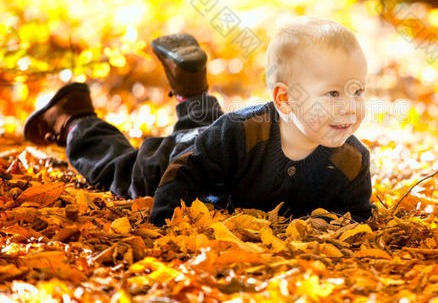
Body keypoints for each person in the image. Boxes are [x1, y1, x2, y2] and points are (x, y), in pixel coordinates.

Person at [24, 17, 376, 226]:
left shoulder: (352, 160)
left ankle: (191, 86)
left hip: (215, 143)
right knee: (117, 171)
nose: (350, 107)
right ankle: (74, 118)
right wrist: (164, 223)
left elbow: (355, 216)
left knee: (211, 131)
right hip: (176, 159)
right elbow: (185, 173)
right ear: (284, 99)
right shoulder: (241, 133)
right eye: (333, 95)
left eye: (357, 91)